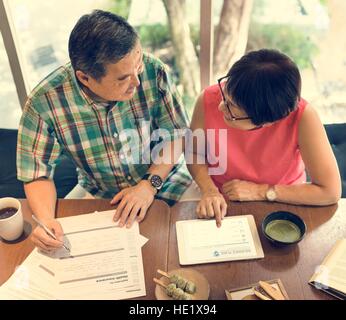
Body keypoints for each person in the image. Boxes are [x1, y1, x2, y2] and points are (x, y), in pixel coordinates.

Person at [17, 10, 191, 251]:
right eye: (123, 79)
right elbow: (36, 172)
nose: (137, 82)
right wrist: (46, 219)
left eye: (138, 67)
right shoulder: (43, 102)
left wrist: (148, 185)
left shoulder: (154, 70)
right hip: (102, 196)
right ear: (85, 78)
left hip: (165, 179)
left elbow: (177, 135)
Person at [187, 49, 341, 227]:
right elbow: (194, 153)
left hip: (284, 201)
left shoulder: (303, 117)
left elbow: (329, 191)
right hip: (218, 198)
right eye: (225, 93)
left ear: (269, 121)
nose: (220, 106)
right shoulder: (207, 99)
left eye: (232, 107)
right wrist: (209, 190)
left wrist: (261, 192)